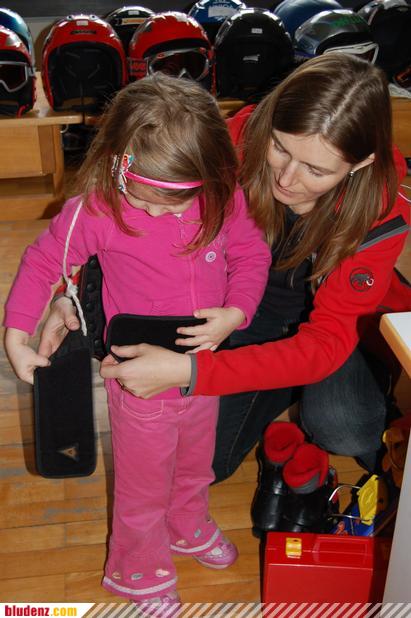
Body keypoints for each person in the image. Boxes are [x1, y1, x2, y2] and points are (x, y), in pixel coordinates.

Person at [3, 73, 271, 613]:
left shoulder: (224, 198)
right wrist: (16, 332)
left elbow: (250, 254)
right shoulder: (97, 208)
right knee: (143, 484)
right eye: (145, 200)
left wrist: (237, 311)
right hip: (137, 379)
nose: (157, 214)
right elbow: (42, 262)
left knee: (196, 462)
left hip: (202, 368)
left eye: (174, 203)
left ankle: (187, 524)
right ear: (116, 165)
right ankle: (136, 568)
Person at [95, 53, 410, 479]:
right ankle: (282, 381)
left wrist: (189, 372)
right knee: (196, 462)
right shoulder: (234, 138)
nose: (287, 179)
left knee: (347, 430)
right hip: (235, 313)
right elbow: (129, 204)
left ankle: (332, 381)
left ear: (362, 162)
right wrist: (71, 294)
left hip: (329, 333)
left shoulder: (383, 213)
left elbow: (325, 343)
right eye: (280, 147)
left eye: (315, 170)